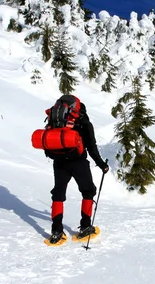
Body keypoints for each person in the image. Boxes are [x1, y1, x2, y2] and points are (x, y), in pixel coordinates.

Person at [44, 95, 109, 245]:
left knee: (58, 194)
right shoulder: (84, 123)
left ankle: (56, 231)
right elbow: (92, 149)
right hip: (78, 162)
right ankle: (85, 227)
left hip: (59, 162)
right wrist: (102, 165)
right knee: (88, 191)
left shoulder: (55, 121)